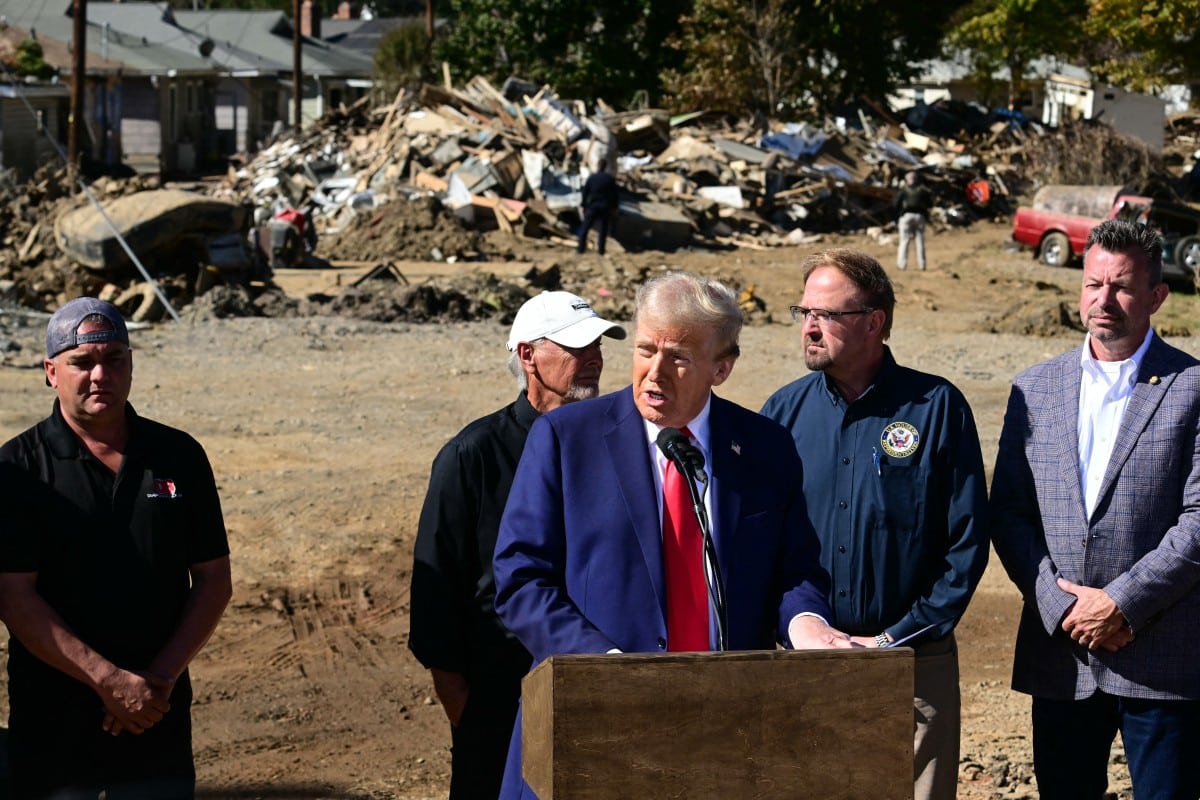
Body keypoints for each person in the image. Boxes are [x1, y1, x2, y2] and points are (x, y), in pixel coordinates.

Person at [492, 271, 850, 799]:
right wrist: (606, 670)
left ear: (720, 368)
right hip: (595, 723)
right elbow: (521, 580)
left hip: (724, 730)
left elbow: (795, 569)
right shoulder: (567, 439)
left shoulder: (764, 447)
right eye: (644, 350)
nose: (654, 372)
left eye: (679, 357)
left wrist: (806, 624)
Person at [760, 248, 989, 800]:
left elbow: (965, 543)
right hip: (806, 661)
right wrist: (799, 632)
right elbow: (761, 545)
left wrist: (896, 637)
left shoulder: (936, 407)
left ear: (874, 322)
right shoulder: (781, 414)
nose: (809, 327)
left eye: (826, 315)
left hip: (913, 662)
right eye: (803, 312)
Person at [989, 219, 1200, 800]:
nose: (1103, 300)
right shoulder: (1035, 388)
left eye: (1123, 286)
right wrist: (1061, 605)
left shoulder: (1192, 388)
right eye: (1093, 284)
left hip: (1161, 658)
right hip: (1061, 657)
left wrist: (1121, 604)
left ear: (1158, 295)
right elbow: (1009, 512)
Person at [0, 297, 232, 800]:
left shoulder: (178, 456)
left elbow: (213, 579)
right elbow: (14, 597)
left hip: (156, 711)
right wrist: (109, 682)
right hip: (53, 720)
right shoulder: (18, 470)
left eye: (115, 359)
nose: (100, 374)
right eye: (82, 363)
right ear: (50, 371)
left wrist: (157, 680)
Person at [408, 290, 626, 799]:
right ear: (528, 355)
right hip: (499, 695)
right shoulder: (472, 455)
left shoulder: (614, 444)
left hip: (594, 680)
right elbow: (436, 585)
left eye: (598, 343)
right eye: (576, 347)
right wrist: (460, 698)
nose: (593, 357)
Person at [576, 158, 619, 256]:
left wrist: (583, 205)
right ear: (605, 167)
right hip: (605, 207)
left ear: (598, 166)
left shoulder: (592, 178)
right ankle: (601, 250)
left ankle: (581, 249)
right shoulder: (609, 179)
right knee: (603, 230)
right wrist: (615, 207)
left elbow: (585, 192)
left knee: (585, 228)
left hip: (593, 206)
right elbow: (615, 195)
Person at [895, 170, 933, 270]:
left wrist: (897, 216)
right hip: (920, 217)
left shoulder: (903, 191)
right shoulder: (923, 191)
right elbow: (930, 204)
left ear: (907, 180)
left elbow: (896, 204)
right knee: (920, 241)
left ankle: (901, 265)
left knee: (904, 241)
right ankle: (922, 265)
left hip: (906, 216)